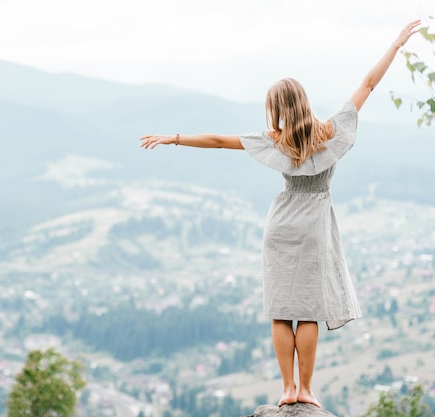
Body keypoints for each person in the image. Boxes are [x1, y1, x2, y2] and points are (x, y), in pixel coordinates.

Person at [139, 20, 420, 408]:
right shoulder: (329, 132)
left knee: (280, 310)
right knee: (307, 312)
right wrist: (396, 44)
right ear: (304, 101)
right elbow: (369, 84)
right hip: (315, 225)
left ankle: (287, 389)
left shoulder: (275, 140)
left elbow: (220, 142)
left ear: (276, 108)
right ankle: (305, 389)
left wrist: (174, 138)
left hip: (281, 224)